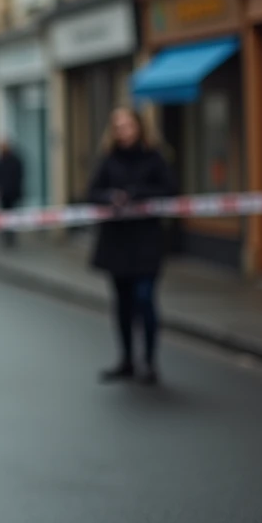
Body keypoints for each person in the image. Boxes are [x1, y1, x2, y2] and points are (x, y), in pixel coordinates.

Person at [87, 107, 177, 386]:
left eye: (127, 125)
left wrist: (138, 194)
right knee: (122, 304)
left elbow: (171, 189)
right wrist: (109, 197)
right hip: (117, 243)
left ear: (139, 127)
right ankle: (127, 359)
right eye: (118, 126)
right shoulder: (108, 160)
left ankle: (149, 361)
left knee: (144, 298)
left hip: (146, 242)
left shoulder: (154, 158)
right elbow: (90, 193)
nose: (122, 130)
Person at [0, 139, 25, 248]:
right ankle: (6, 236)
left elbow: (20, 176)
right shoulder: (0, 160)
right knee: (5, 214)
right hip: (4, 193)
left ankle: (11, 236)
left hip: (12, 192)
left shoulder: (15, 160)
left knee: (12, 214)